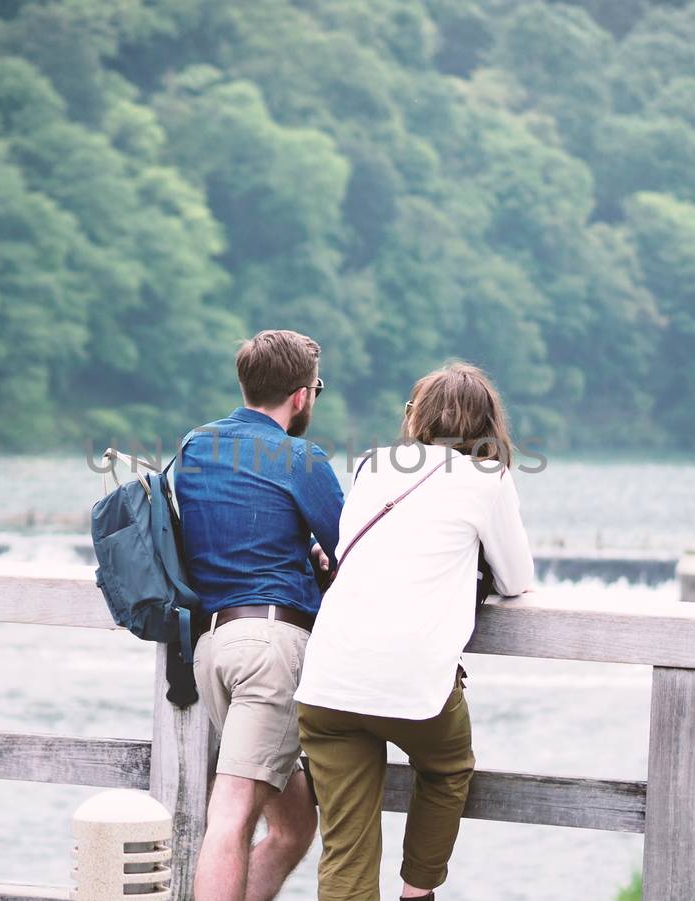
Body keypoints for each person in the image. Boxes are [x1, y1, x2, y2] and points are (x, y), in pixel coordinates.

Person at [294, 362, 536, 901]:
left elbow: (342, 551)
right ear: (487, 424)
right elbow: (518, 579)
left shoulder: (372, 465)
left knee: (346, 852)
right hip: (412, 685)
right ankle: (417, 890)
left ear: (416, 415)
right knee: (448, 767)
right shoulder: (486, 478)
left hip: (328, 679)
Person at [175, 329, 345, 901]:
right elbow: (350, 548)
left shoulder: (196, 446)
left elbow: (230, 527)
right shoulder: (301, 458)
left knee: (294, 826)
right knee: (230, 817)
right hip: (270, 649)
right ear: (301, 396)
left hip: (214, 652)